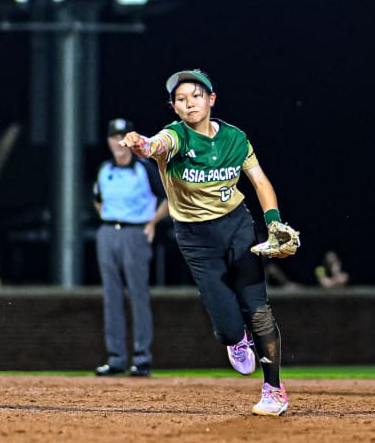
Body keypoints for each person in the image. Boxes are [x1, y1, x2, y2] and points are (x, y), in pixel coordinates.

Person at [120, 69, 298, 415]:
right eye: (181, 99)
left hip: (237, 227)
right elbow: (154, 145)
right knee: (228, 328)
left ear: (212, 100)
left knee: (258, 308)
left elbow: (260, 182)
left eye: (197, 95)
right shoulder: (176, 137)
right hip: (196, 237)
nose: (190, 103)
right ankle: (236, 340)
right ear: (173, 107)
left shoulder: (235, 139)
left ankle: (274, 390)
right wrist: (140, 143)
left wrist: (273, 222)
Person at [93, 118, 169, 378]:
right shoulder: (104, 169)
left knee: (138, 295)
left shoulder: (144, 168)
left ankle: (141, 358)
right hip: (108, 232)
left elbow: (168, 197)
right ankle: (116, 358)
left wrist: (152, 222)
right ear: (108, 141)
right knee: (111, 296)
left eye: (122, 137)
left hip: (136, 232)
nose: (118, 142)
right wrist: (110, 217)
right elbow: (97, 199)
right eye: (114, 137)